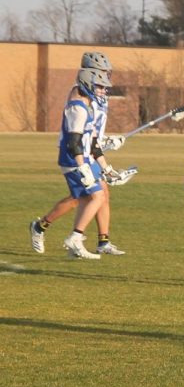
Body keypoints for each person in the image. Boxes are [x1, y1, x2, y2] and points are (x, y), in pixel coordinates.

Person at [30, 52, 129, 258]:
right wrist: (86, 162)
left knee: (97, 196)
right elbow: (76, 135)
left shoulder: (95, 95)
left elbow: (92, 132)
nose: (105, 79)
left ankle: (99, 241)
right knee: (85, 198)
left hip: (89, 150)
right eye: (102, 73)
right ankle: (45, 228)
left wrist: (106, 150)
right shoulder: (79, 98)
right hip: (76, 154)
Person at [54, 67, 114, 259]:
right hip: (73, 160)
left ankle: (75, 246)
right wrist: (83, 167)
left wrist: (107, 168)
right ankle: (75, 238)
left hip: (82, 159)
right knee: (97, 197)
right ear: (88, 84)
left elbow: (93, 143)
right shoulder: (77, 108)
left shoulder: (87, 106)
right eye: (99, 87)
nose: (103, 91)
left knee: (89, 198)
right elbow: (73, 142)